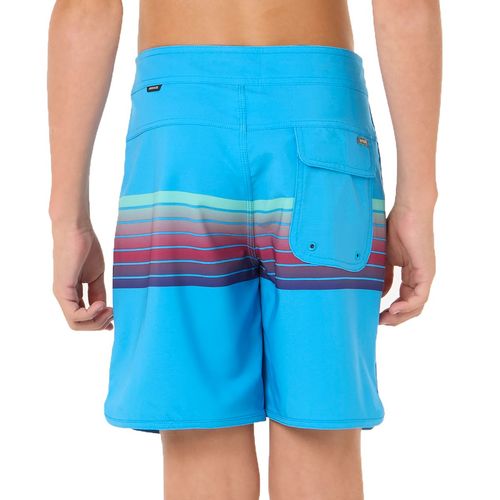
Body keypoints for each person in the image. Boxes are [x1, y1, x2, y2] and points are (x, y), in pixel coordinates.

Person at [48, 0, 441, 498]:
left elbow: (87, 7)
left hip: (180, 129)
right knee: (320, 431)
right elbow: (405, 6)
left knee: (199, 431)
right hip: (320, 118)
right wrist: (417, 203)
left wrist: (68, 220)